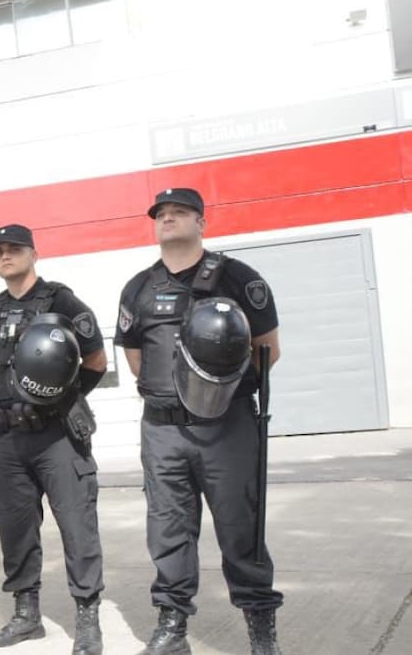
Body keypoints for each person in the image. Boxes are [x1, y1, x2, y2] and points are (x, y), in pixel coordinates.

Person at [115, 188, 283, 655]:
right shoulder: (138, 287)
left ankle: (260, 627)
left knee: (240, 527)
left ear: (202, 223)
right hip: (163, 429)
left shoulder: (237, 278)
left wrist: (213, 396)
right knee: (168, 529)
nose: (168, 219)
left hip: (225, 427)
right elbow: (135, 357)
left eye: (180, 213)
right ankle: (172, 626)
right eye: (161, 214)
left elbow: (268, 348)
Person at [0, 225, 108, 653]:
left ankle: (87, 618)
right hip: (9, 439)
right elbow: (1, 371)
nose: (5, 256)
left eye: (13, 249)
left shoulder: (62, 301)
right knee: (15, 529)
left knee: (76, 525)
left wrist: (61, 401)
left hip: (56, 437)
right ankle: (25, 615)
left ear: (34, 253)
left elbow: (95, 360)